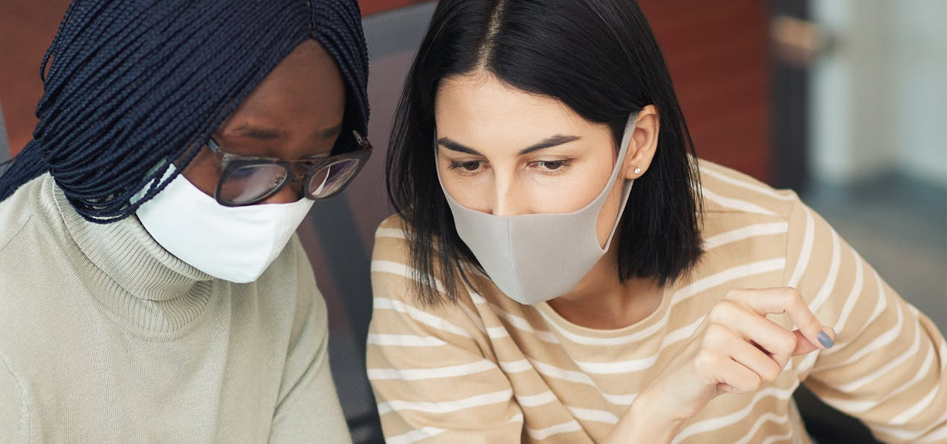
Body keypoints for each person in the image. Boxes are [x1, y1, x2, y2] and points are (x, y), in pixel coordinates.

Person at [367, 0, 947, 442]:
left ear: (636, 143)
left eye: (549, 163)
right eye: (466, 163)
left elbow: (931, 415)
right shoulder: (424, 271)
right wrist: (658, 410)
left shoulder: (773, 239)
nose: (503, 209)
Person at [0, 0, 370, 442]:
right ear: (140, 115)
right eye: (250, 164)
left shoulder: (276, 275)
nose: (282, 210)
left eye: (315, 163)